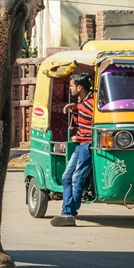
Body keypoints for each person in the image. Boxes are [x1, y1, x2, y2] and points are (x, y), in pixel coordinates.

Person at [51, 72, 94, 227]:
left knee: (76, 178)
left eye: (71, 86)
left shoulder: (92, 103)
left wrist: (77, 108)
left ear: (79, 87)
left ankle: (68, 212)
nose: (70, 89)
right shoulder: (83, 102)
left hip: (87, 145)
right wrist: (75, 108)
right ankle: (69, 211)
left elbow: (93, 120)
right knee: (66, 177)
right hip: (80, 145)